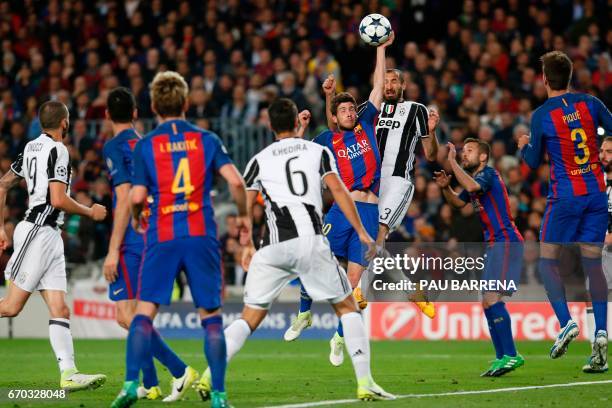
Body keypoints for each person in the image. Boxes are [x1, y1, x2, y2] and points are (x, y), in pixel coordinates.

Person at [195, 98, 395, 401]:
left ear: (269, 125)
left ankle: (210, 376)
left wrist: (247, 243)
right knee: (347, 308)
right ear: (296, 121)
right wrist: (363, 233)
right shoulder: (318, 151)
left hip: (273, 247)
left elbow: (245, 205)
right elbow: (339, 192)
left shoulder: (259, 160)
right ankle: (365, 382)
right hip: (310, 242)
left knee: (248, 318)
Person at [111, 72, 248, 408]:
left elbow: (136, 195)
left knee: (143, 313)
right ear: (186, 103)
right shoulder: (207, 139)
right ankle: (218, 396)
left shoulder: (146, 145)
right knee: (211, 317)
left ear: (154, 106)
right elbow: (236, 182)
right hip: (201, 233)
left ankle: (131, 385)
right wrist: (243, 216)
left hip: (162, 234)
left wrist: (140, 214)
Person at [284, 32, 393, 367]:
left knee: (353, 285)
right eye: (342, 109)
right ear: (335, 115)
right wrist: (301, 127)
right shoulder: (327, 140)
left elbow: (377, 86)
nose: (348, 112)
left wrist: (381, 49)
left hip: (370, 212)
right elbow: (296, 150)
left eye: (351, 108)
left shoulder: (365, 125)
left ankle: (338, 337)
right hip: (343, 210)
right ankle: (304, 314)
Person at [0, 101, 107, 390]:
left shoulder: (31, 147)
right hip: (38, 232)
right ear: (64, 122)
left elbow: (4, 184)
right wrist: (89, 211)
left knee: (60, 309)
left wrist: (1, 227)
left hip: (49, 235)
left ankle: (69, 373)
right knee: (10, 307)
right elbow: (58, 199)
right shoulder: (58, 150)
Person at [518, 51, 611, 371]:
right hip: (596, 196)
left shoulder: (542, 115)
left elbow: (531, 164)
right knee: (593, 265)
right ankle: (600, 333)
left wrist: (523, 145)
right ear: (569, 76)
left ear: (544, 79)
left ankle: (566, 323)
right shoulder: (591, 104)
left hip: (566, 198)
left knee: (546, 261)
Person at [102, 87, 187, 400]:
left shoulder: (114, 147)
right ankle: (150, 384)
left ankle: (179, 370)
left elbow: (124, 196)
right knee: (136, 315)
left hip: (132, 237)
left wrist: (113, 249)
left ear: (107, 115)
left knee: (128, 316)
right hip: (156, 231)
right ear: (136, 113)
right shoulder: (149, 144)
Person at [435, 139, 525, 376]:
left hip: (506, 242)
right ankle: (501, 357)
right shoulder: (476, 179)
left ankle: (512, 355)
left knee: (492, 298)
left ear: (483, 156)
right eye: (463, 151)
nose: (465, 154)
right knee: (486, 301)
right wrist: (446, 187)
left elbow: (473, 188)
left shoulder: (488, 175)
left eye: (469, 151)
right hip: (495, 244)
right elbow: (458, 202)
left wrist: (452, 161)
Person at [375, 68, 440, 319]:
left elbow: (431, 155)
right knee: (371, 242)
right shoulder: (373, 109)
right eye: (386, 82)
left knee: (378, 233)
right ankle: (412, 289)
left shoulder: (416, 109)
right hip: (371, 184)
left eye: (394, 81)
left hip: (398, 181)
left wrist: (432, 132)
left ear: (403, 84)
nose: (389, 86)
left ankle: (360, 291)